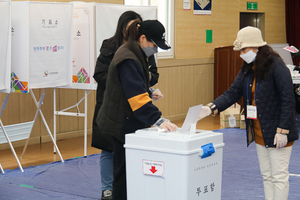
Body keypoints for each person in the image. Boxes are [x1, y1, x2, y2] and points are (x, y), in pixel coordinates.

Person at [199, 26, 299, 200]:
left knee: (279, 177)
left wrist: (283, 130)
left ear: (256, 47)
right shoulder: (248, 68)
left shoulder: (277, 66)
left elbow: (288, 99)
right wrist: (211, 107)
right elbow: (232, 92)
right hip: (259, 132)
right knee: (267, 176)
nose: (241, 53)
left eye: (244, 49)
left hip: (278, 133)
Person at [96, 19, 178, 200]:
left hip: (125, 119)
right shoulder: (128, 57)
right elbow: (137, 100)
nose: (155, 50)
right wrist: (160, 120)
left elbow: (130, 86)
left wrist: (148, 91)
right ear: (142, 38)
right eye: (154, 45)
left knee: (129, 172)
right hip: (121, 122)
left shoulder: (135, 53)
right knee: (123, 175)